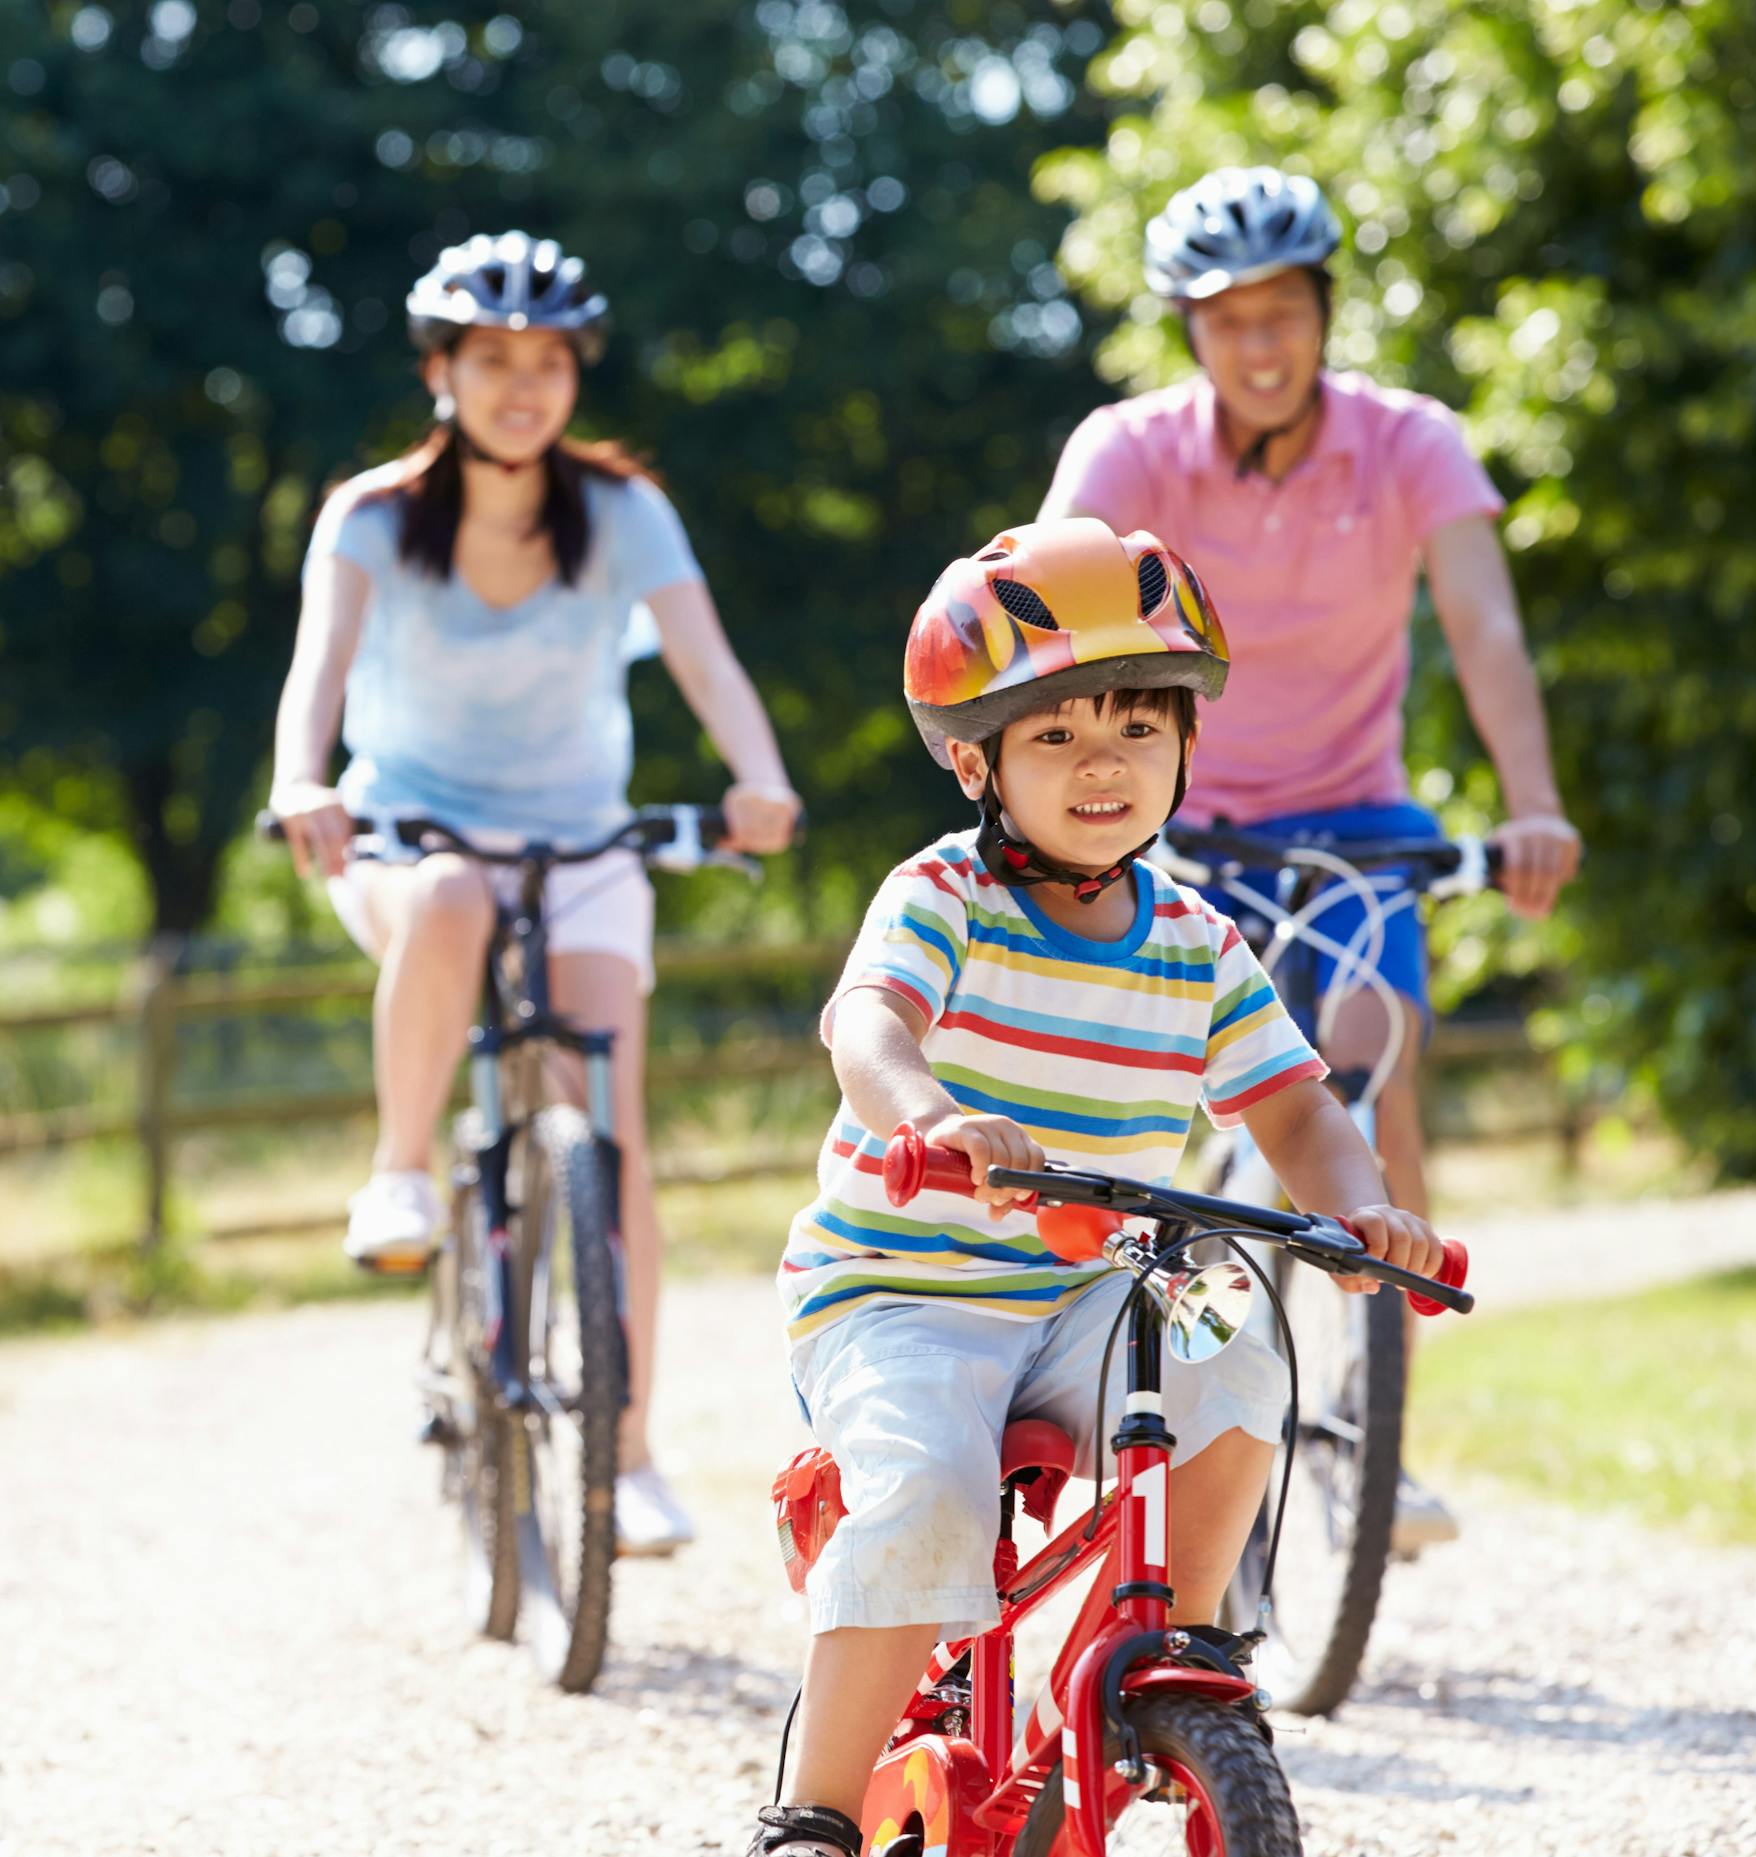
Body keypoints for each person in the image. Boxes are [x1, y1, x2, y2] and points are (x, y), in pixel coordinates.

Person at [749, 517, 1442, 1857]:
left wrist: (1359, 1206)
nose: (1103, 761)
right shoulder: (941, 894)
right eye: (1056, 733)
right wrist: (934, 1114)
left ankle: (1166, 1645)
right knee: (925, 1493)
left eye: (1137, 725)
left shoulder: (1196, 939)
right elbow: (866, 1027)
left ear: (1188, 744)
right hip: (905, 1292)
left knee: (1237, 1333)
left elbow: (1298, 1102)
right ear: (977, 759)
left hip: (1100, 1287)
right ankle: (814, 1814)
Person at [1039, 166, 1580, 1551]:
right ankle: (1196, 1390)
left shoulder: (1409, 443)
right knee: (1178, 1122)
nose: (1261, 345)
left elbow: (1487, 632)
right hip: (1180, 823)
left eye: (1284, 313)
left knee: (1368, 1050)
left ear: (1325, 313)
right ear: (1189, 332)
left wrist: (1531, 802)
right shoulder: (1131, 448)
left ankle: (1369, 1428)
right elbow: (1052, 610)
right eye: (1229, 321)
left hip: (1355, 819)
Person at [268, 230, 801, 1556]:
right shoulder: (375, 517)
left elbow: (709, 662)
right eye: (492, 358)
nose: (522, 385)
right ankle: (399, 1174)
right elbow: (316, 672)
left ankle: (628, 1452)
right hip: (409, 832)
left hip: (581, 845)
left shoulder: (622, 512)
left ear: (576, 376)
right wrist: (301, 780)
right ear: (441, 369)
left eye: (548, 362)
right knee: (447, 899)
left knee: (604, 1123)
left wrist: (760, 774)